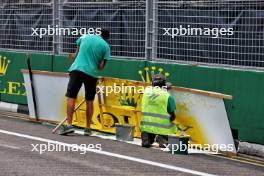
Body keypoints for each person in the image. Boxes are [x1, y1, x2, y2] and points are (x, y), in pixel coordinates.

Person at [59, 29, 111, 136]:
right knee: (89, 100)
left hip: (77, 69)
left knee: (71, 97)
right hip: (92, 74)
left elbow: (76, 54)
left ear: (99, 33)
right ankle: (87, 128)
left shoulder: (84, 37)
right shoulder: (106, 47)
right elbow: (101, 67)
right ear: (106, 38)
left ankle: (69, 125)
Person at [140, 74, 177, 148]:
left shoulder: (146, 91)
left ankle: (146, 138)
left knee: (147, 129)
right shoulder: (167, 96)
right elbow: (172, 114)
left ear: (153, 83)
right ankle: (162, 138)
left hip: (146, 126)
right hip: (162, 128)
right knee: (173, 126)